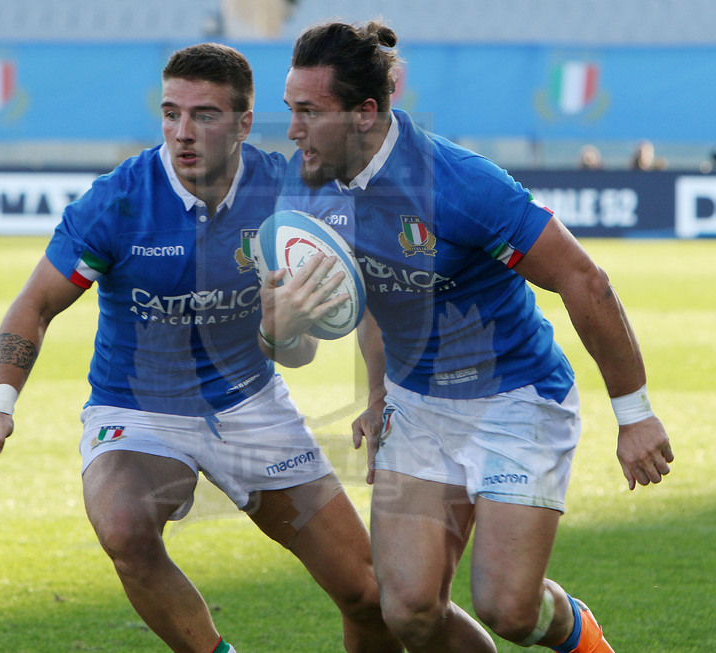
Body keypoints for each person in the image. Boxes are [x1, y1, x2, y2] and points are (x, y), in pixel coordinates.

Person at [0, 43, 402, 653]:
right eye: (171, 113)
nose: (182, 133)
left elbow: (366, 297)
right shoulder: (119, 200)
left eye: (204, 115)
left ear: (245, 123)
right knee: (124, 529)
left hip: (251, 406)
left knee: (368, 594)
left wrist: (376, 391)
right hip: (138, 411)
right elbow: (34, 305)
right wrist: (0, 401)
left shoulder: (288, 189)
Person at [263, 20, 674, 653]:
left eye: (308, 113)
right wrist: (374, 393)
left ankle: (581, 636)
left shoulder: (458, 182)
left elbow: (583, 280)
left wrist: (636, 415)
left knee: (510, 609)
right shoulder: (307, 189)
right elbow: (367, 295)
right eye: (290, 111)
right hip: (419, 407)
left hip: (515, 398)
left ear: (365, 113)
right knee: (409, 612)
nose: (292, 132)